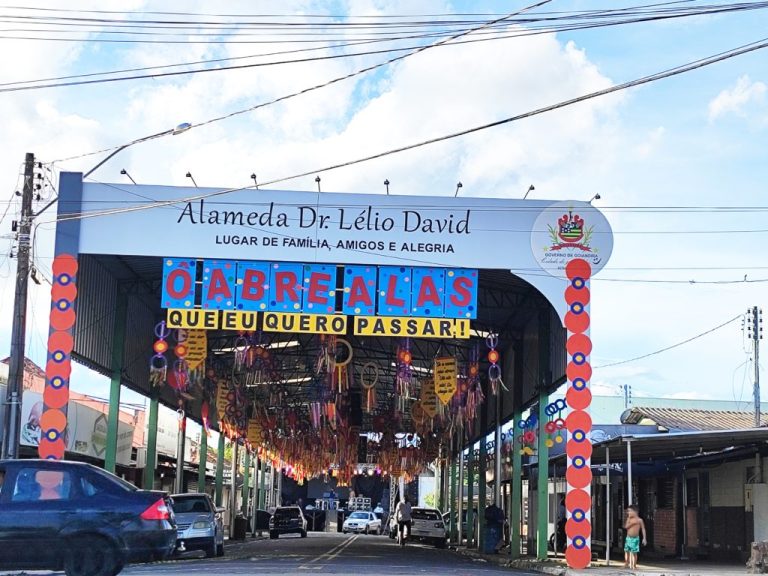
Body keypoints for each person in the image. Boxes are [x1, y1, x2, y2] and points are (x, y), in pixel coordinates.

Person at [624, 505, 647, 570]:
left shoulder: (640, 520)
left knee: (634, 552)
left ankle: (634, 565)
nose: (628, 513)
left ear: (635, 512)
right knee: (627, 551)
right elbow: (626, 527)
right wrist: (632, 523)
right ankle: (626, 563)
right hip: (628, 538)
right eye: (628, 511)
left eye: (630, 511)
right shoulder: (629, 519)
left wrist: (644, 538)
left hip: (635, 538)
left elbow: (643, 529)